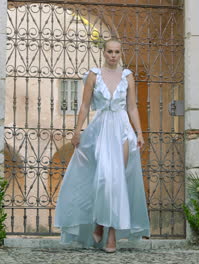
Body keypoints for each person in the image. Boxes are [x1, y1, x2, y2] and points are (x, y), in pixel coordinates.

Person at [54, 39, 150, 253]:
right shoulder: (93, 75)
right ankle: (98, 222)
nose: (113, 55)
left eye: (116, 52)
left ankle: (112, 236)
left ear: (120, 53)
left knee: (118, 181)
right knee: (105, 179)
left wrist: (139, 132)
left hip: (122, 129)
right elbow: (85, 105)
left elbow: (132, 107)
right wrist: (77, 131)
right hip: (100, 129)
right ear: (104, 53)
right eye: (109, 51)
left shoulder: (128, 76)